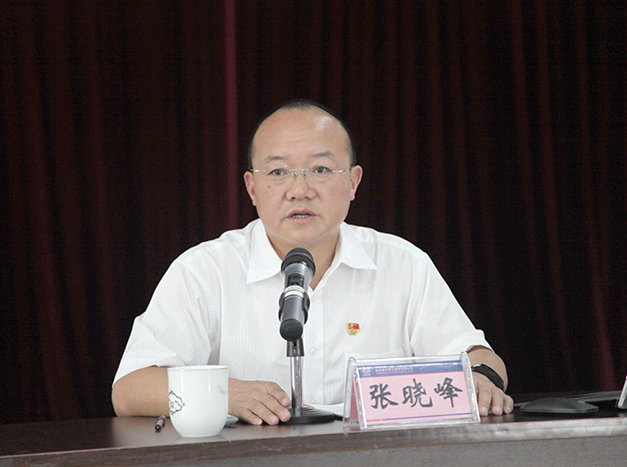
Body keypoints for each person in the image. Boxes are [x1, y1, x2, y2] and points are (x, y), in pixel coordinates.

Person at [112, 99, 514, 425]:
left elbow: (478, 356)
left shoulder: (403, 264)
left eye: (320, 169)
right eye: (278, 171)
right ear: (252, 188)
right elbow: (130, 389)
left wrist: (480, 381)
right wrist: (228, 393)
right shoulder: (204, 271)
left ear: (353, 182)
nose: (299, 189)